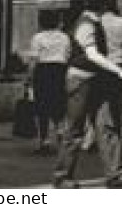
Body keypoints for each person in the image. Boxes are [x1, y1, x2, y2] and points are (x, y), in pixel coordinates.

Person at [53, 0, 122, 189]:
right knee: (75, 128)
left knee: (106, 124)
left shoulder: (90, 22)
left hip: (94, 79)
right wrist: (120, 71)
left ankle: (115, 173)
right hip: (81, 80)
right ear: (101, 5)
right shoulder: (86, 24)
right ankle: (63, 176)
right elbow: (92, 55)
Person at [28, 12, 72, 154]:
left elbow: (34, 59)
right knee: (59, 103)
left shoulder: (38, 37)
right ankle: (60, 133)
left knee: (42, 105)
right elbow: (68, 55)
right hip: (60, 71)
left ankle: (45, 140)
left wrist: (29, 77)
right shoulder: (65, 37)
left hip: (43, 71)